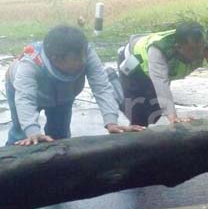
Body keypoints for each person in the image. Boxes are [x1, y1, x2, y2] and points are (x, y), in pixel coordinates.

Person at [5, 25, 142, 146]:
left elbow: (101, 87)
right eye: (77, 59)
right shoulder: (31, 63)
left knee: (60, 134)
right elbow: (25, 99)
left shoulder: (85, 53)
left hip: (64, 95)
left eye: (83, 55)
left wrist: (112, 122)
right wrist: (32, 131)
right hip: (20, 90)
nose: (83, 61)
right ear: (56, 59)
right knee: (22, 135)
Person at [117, 22, 208, 126]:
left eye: (201, 47)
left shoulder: (206, 46)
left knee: (154, 114)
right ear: (178, 47)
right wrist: (173, 117)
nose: (199, 54)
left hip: (159, 70)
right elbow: (161, 83)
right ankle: (115, 92)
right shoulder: (158, 51)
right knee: (139, 117)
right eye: (193, 50)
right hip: (134, 67)